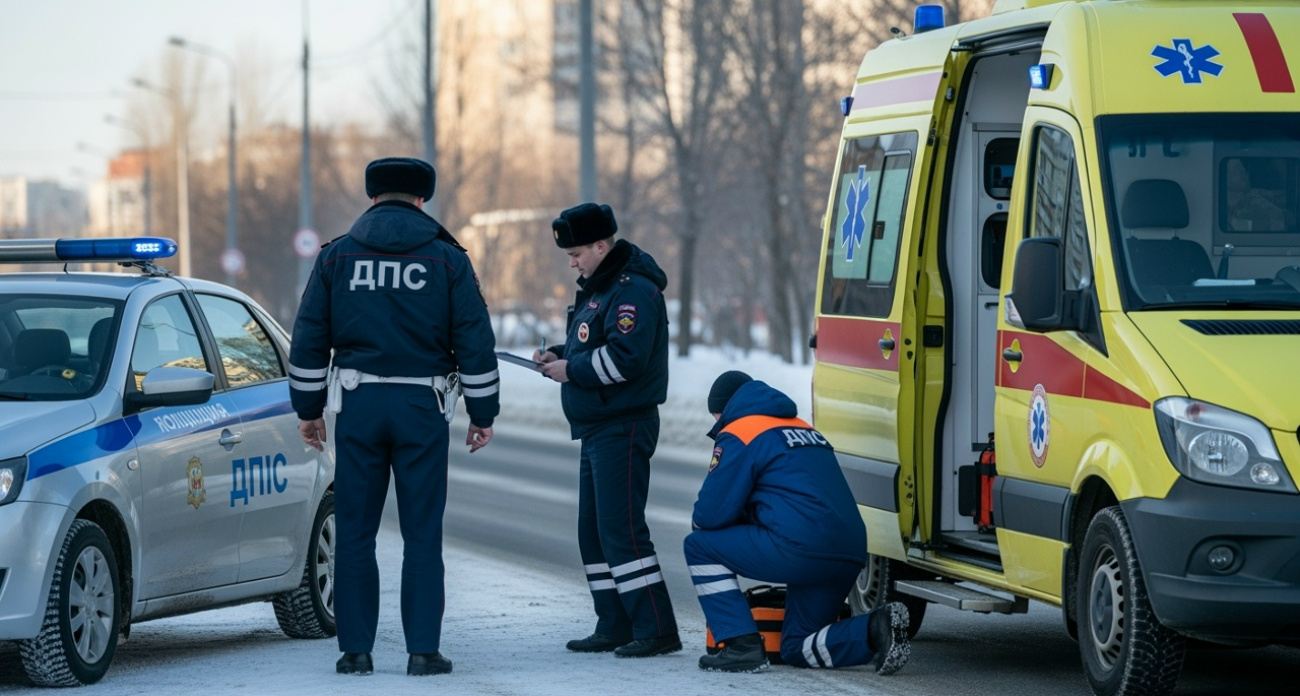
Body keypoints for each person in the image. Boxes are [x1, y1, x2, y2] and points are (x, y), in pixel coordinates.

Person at [289, 157, 500, 677]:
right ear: (422, 200)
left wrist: (309, 410)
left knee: (356, 532)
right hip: (421, 409)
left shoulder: (336, 257)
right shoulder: (447, 260)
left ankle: (355, 651)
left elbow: (310, 336)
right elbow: (474, 340)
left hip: (358, 407)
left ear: (372, 196)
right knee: (422, 533)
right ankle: (423, 652)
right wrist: (482, 412)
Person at [684, 370, 910, 674]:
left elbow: (709, 516)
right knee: (797, 646)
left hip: (800, 549)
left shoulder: (741, 430)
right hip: (850, 549)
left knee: (699, 546)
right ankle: (875, 629)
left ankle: (741, 645)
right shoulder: (804, 428)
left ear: (724, 408)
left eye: (716, 416)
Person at [533, 202, 680, 658]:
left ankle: (656, 628)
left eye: (577, 253)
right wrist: (559, 354)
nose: (572, 262)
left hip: (624, 423)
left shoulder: (632, 290)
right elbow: (591, 341)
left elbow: (625, 359)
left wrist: (571, 371)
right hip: (598, 423)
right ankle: (613, 622)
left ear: (601, 245)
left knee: (622, 531)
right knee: (593, 533)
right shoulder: (600, 288)